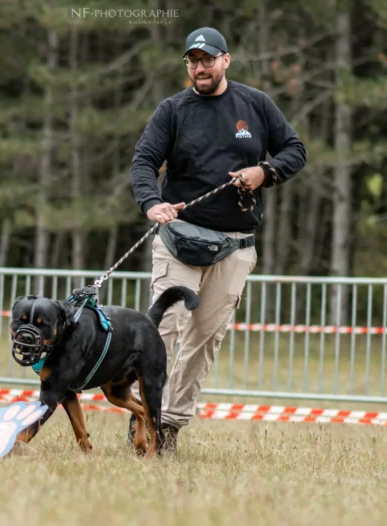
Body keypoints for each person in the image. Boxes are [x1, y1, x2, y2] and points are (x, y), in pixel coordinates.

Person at [129, 27, 307, 455]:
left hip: (235, 245)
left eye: (207, 59)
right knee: (164, 331)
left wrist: (264, 172)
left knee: (204, 341)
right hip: (178, 242)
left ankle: (168, 427)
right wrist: (152, 203)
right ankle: (144, 417)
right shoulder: (172, 110)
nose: (199, 68)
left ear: (225, 60)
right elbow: (144, 160)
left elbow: (294, 150)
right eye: (192, 61)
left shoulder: (256, 104)